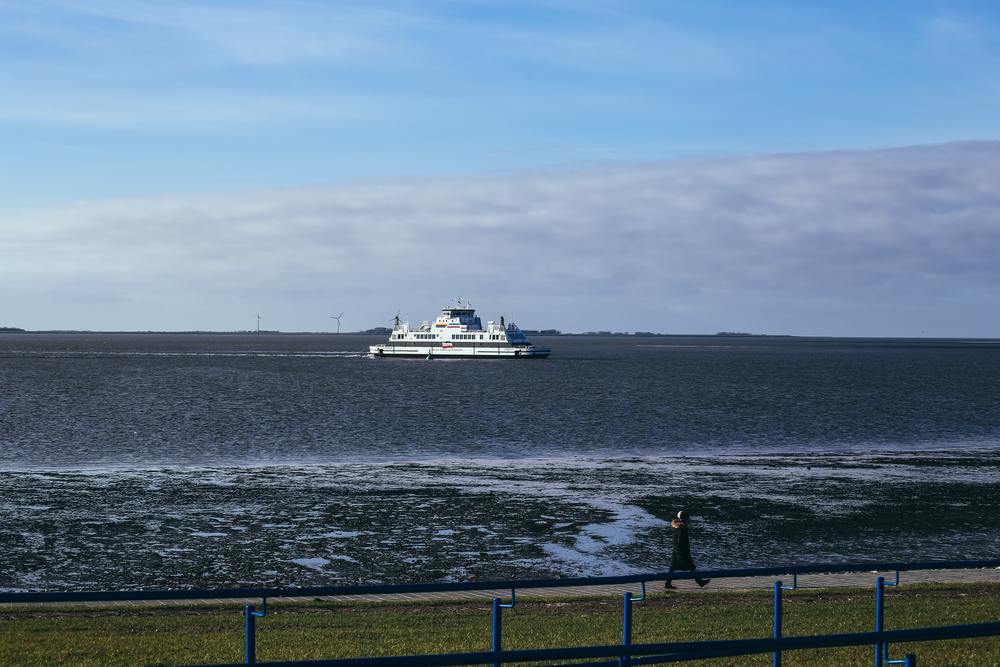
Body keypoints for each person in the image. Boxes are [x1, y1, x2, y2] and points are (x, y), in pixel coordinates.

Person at [664, 510, 710, 588]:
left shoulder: (675, 526)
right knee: (691, 567)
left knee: (672, 568)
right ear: (685, 519)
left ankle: (668, 583)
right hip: (682, 551)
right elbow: (680, 541)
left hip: (676, 550)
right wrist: (682, 551)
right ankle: (699, 582)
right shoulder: (682, 528)